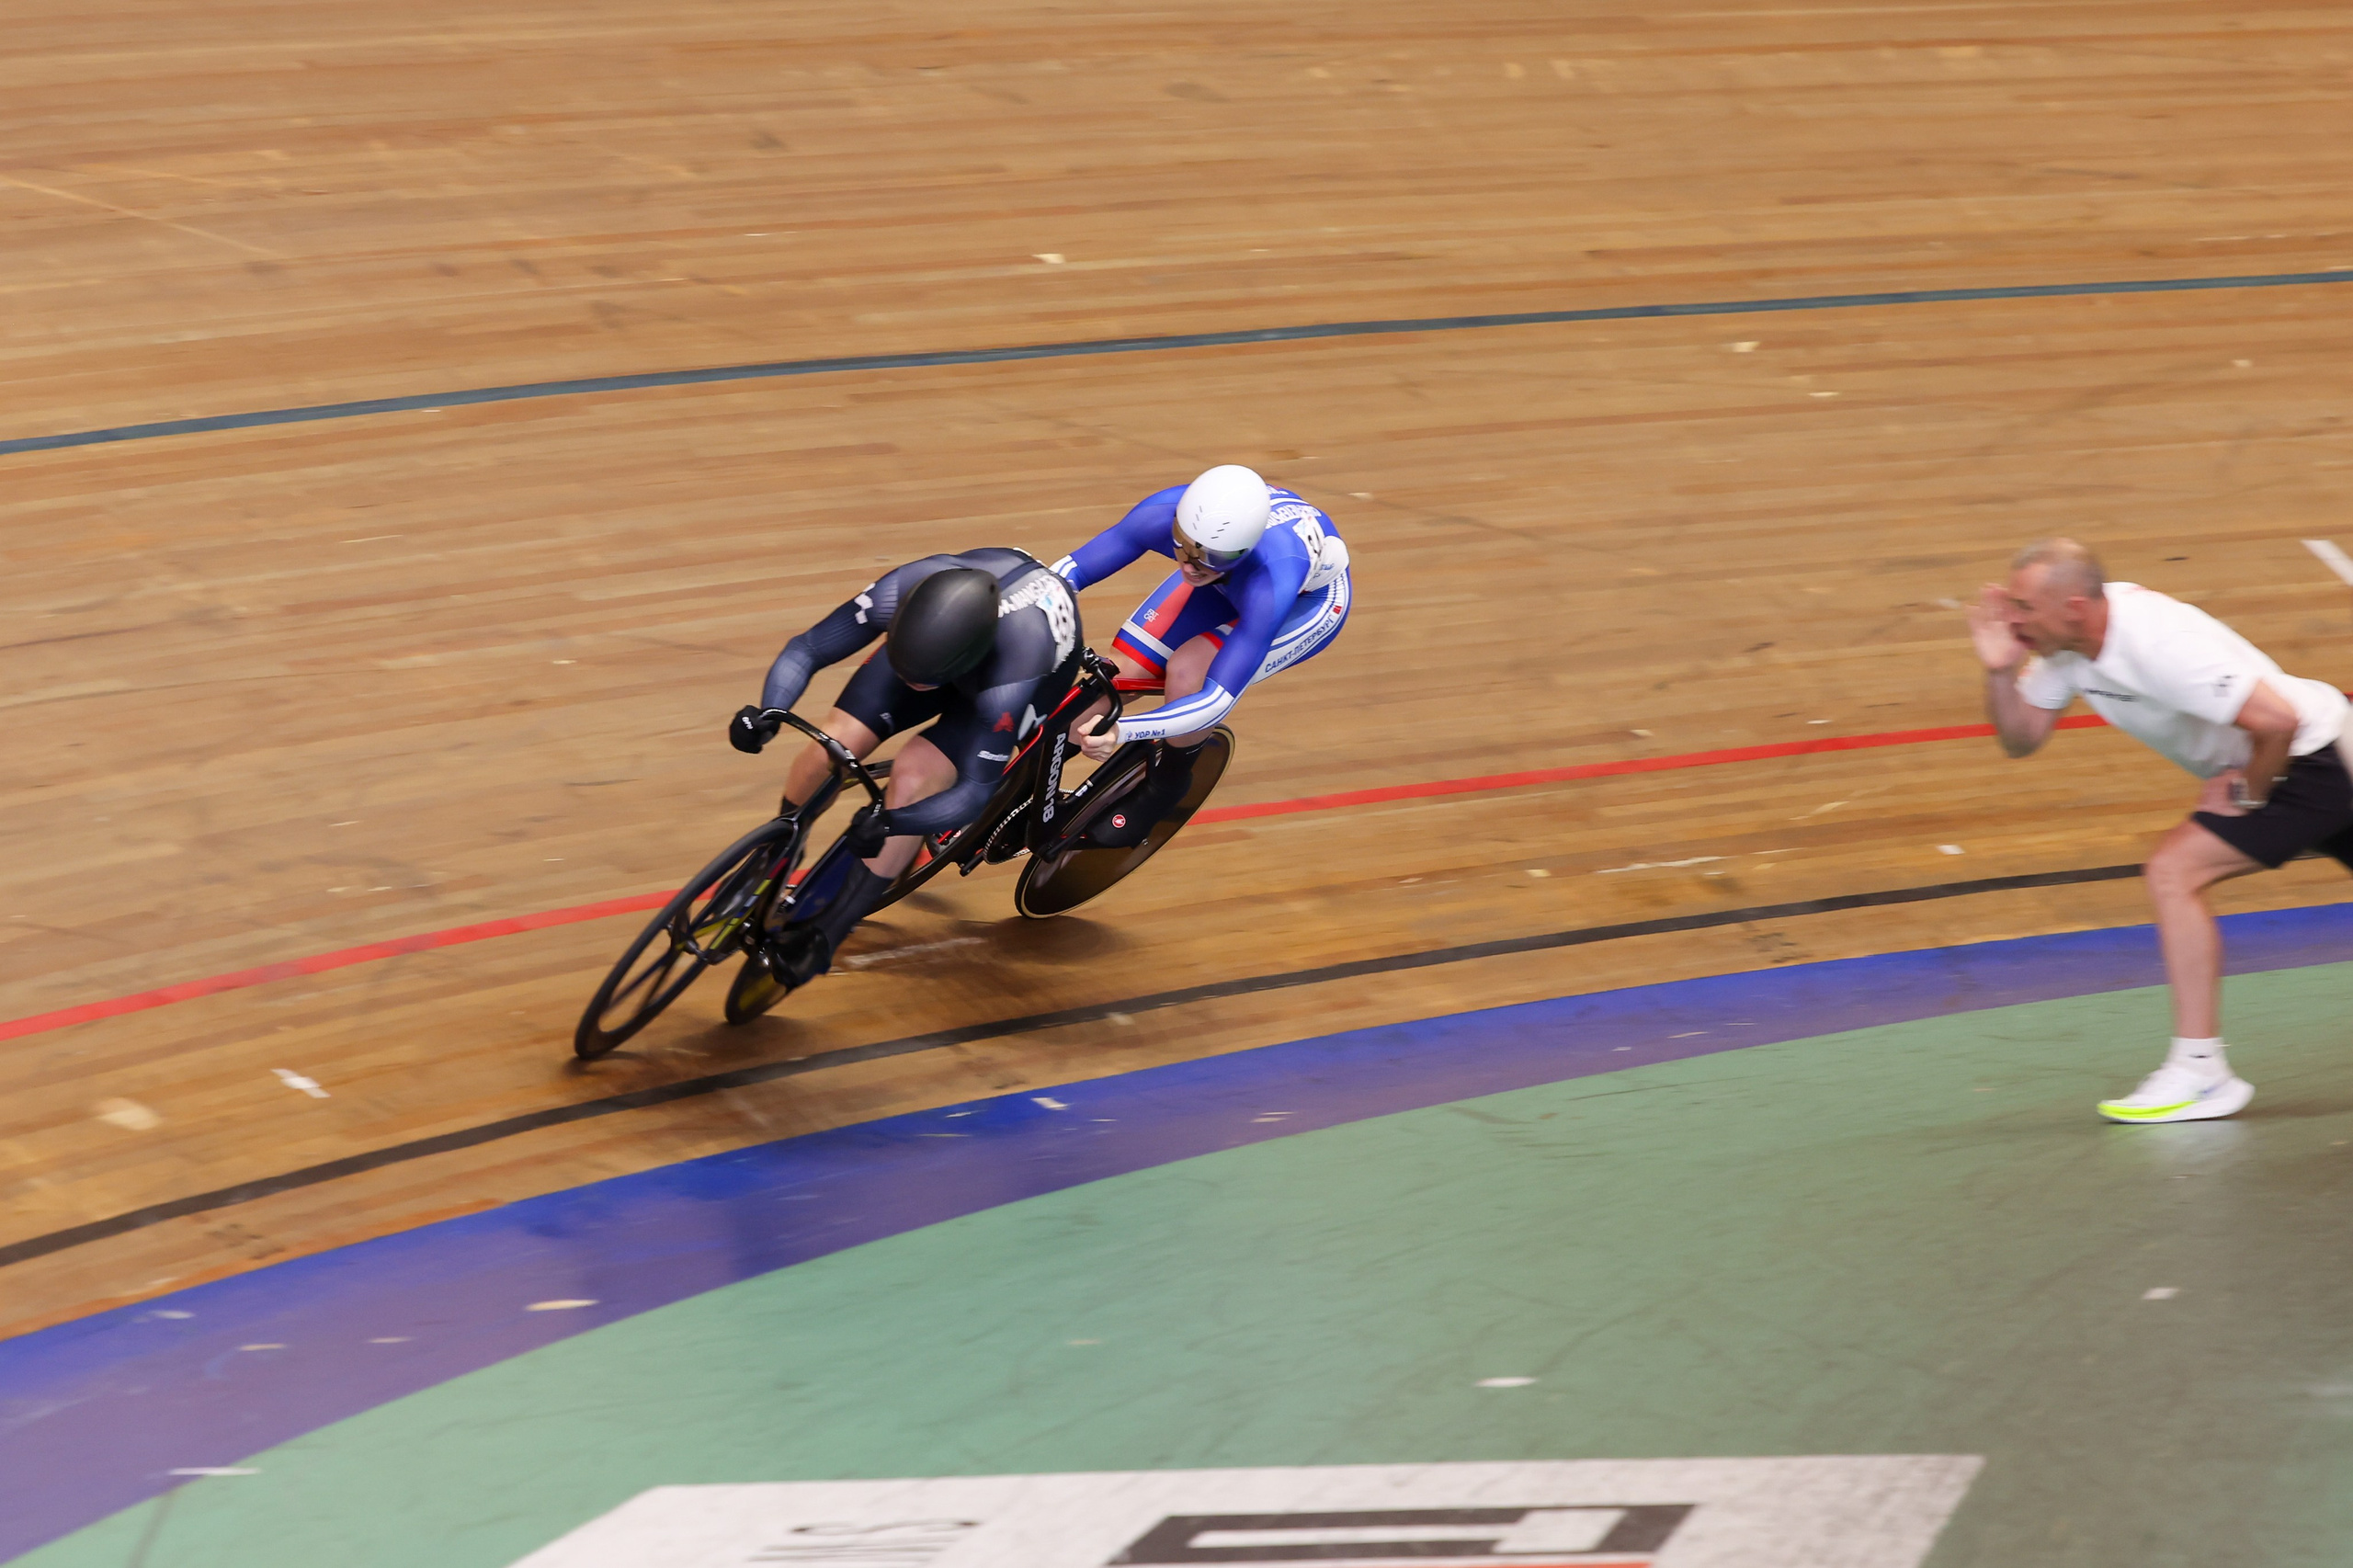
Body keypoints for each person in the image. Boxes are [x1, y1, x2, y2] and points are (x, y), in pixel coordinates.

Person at [1970, 538, 2353, 1123]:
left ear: (2074, 606)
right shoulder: (2069, 647)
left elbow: (2278, 720)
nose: (2013, 620)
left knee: (2175, 872)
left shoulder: (2157, 645)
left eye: (2023, 607)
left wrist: (2246, 793)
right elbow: (2021, 738)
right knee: (2176, 872)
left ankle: (2201, 1072)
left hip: (2307, 759)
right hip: (2317, 753)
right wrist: (1998, 670)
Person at [727, 547, 1080, 983]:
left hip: (1020, 678)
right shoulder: (900, 589)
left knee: (913, 778)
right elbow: (807, 649)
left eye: (921, 677)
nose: (911, 679)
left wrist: (893, 823)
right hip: (948, 649)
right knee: (832, 746)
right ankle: (774, 854)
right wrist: (769, 712)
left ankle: (827, 934)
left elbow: (973, 792)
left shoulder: (1012, 676)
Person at [1051, 465, 1351, 846]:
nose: (1190, 564)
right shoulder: (1166, 516)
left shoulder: (1271, 577)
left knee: (1187, 671)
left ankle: (1167, 787)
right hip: (1228, 580)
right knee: (1118, 676)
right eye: (1183, 545)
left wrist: (1123, 731)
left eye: (1209, 557)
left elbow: (1215, 700)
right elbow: (1065, 575)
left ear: (1240, 551)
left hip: (1304, 602)